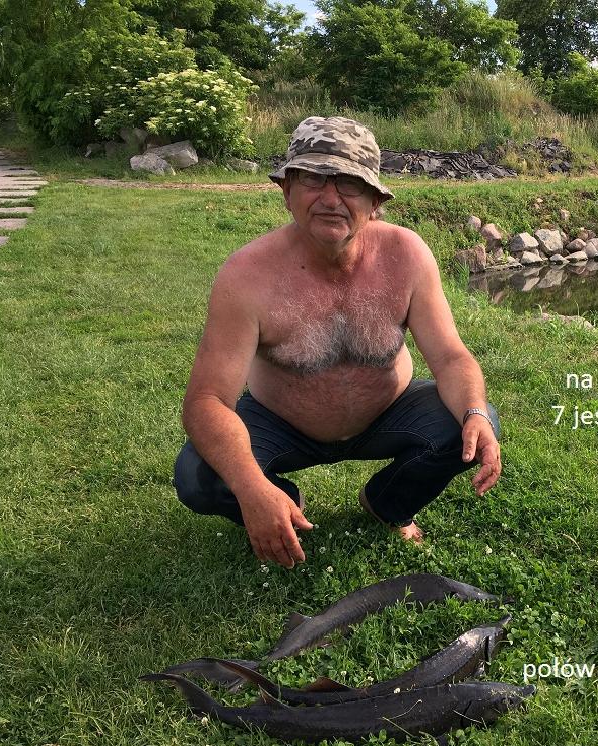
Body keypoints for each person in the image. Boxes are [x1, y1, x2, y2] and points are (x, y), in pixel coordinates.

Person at [173, 116, 501, 567]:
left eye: (349, 184)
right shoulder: (245, 277)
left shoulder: (407, 255)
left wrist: (475, 412)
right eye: (312, 179)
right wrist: (252, 487)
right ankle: (282, 505)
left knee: (472, 424)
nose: (330, 199)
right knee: (198, 475)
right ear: (286, 190)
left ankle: (388, 503)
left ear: (375, 201)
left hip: (389, 412)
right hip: (279, 421)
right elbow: (206, 401)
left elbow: (449, 357)